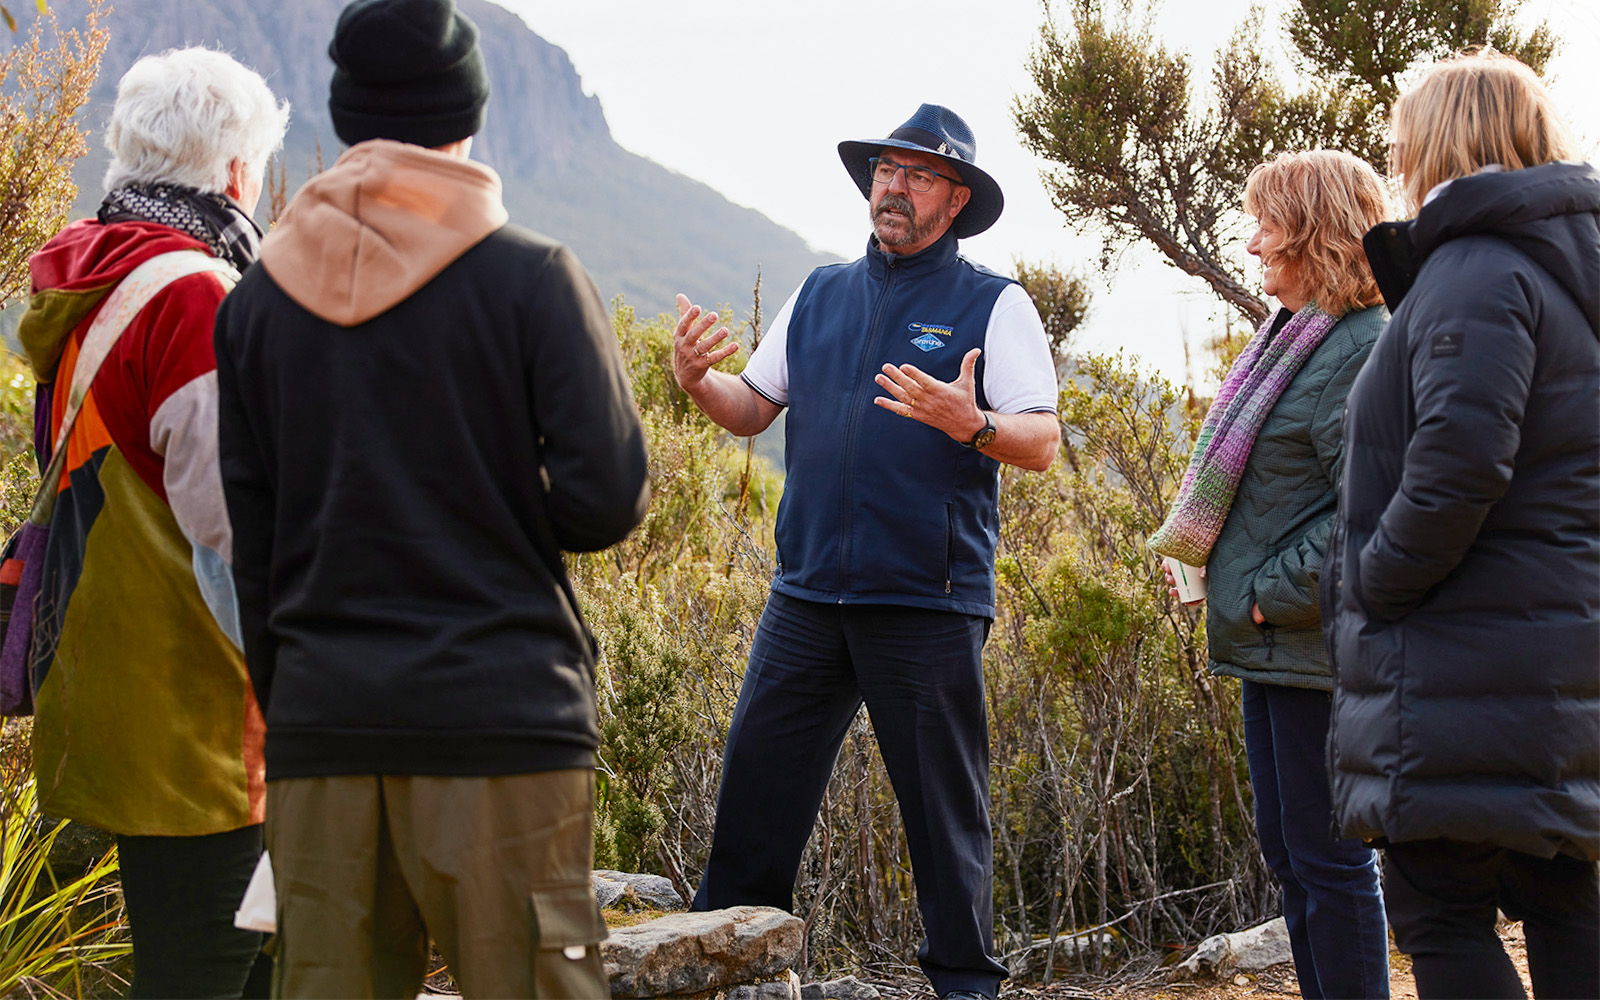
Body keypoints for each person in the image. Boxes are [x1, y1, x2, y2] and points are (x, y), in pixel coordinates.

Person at [212, 0, 650, 996]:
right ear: (468, 119)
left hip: (326, 734)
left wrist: (302, 711)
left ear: (349, 118)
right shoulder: (533, 280)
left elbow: (257, 549)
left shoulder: (256, 307)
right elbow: (606, 498)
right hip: (502, 729)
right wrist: (493, 504)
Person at [673, 104, 1060, 1000]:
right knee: (755, 805)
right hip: (806, 596)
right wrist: (698, 379)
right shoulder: (821, 293)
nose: (895, 185)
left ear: (956, 199)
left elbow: (1039, 440)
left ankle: (965, 987)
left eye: (920, 174)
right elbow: (752, 406)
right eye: (887, 169)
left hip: (926, 599)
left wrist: (975, 425)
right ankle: (718, 976)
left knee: (942, 820)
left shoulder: (993, 305)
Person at [1326, 50, 1600, 1000]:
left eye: (1404, 136)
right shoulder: (1562, 268)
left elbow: (1459, 464)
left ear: (1439, 138)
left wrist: (1377, 579)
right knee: (1565, 899)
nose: (1395, 153)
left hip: (1460, 657)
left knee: (1438, 910)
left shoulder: (1476, 268)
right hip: (1552, 653)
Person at [17, 47, 286, 999]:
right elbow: (237, 535)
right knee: (208, 969)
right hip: (205, 726)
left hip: (113, 687)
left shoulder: (88, 281)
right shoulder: (194, 297)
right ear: (234, 173)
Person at [1151, 149, 1391, 999]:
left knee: (1328, 863)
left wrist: (1259, 597)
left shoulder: (1359, 348)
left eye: (1266, 225)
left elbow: (1365, 513)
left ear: (1316, 232)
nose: (1251, 246)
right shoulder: (1294, 337)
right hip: (1274, 645)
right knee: (1291, 854)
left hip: (1310, 644)